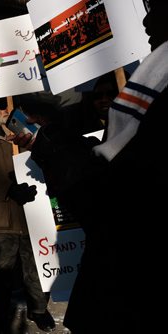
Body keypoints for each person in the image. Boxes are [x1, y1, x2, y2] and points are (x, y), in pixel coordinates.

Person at [27, 1, 168, 332]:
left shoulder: (157, 102)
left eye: (159, 4)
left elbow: (118, 209)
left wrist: (58, 150)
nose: (147, 19)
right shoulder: (150, 93)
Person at [0, 105, 56, 334]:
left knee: (35, 268)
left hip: (32, 215)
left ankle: (38, 309)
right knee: (3, 272)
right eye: (1, 108)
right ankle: (0, 315)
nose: (6, 111)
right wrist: (7, 188)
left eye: (10, 108)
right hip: (2, 218)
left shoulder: (32, 137)